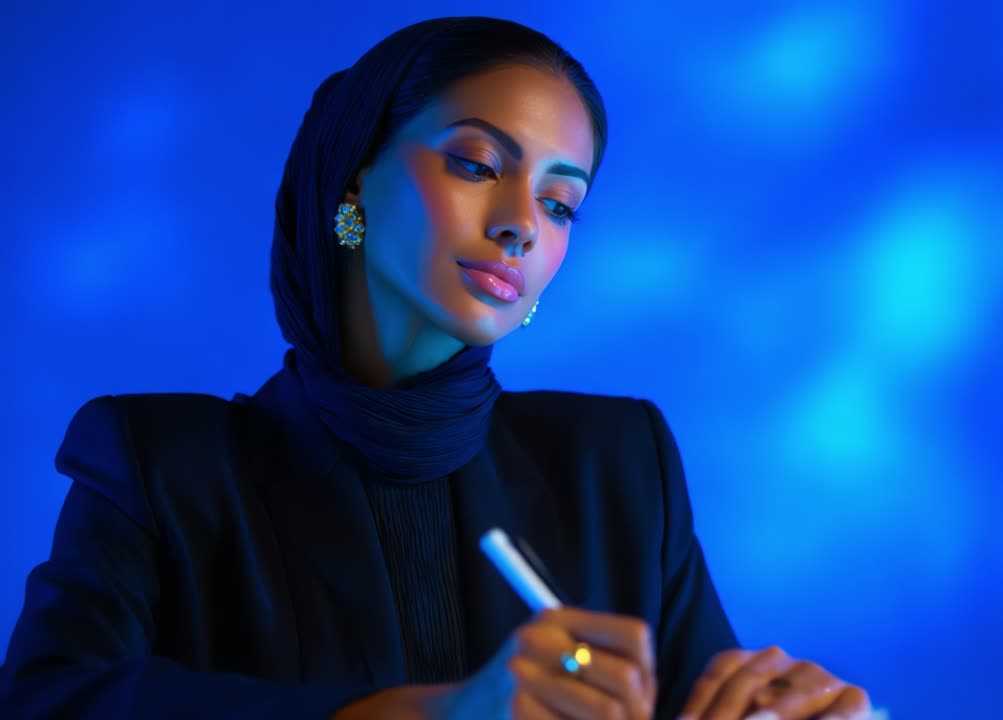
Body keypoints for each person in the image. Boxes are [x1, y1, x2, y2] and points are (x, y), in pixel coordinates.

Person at [0, 17, 870, 720]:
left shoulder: (618, 463)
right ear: (353, 183)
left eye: (561, 203)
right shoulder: (159, 464)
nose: (521, 224)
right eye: (476, 164)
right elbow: (50, 701)